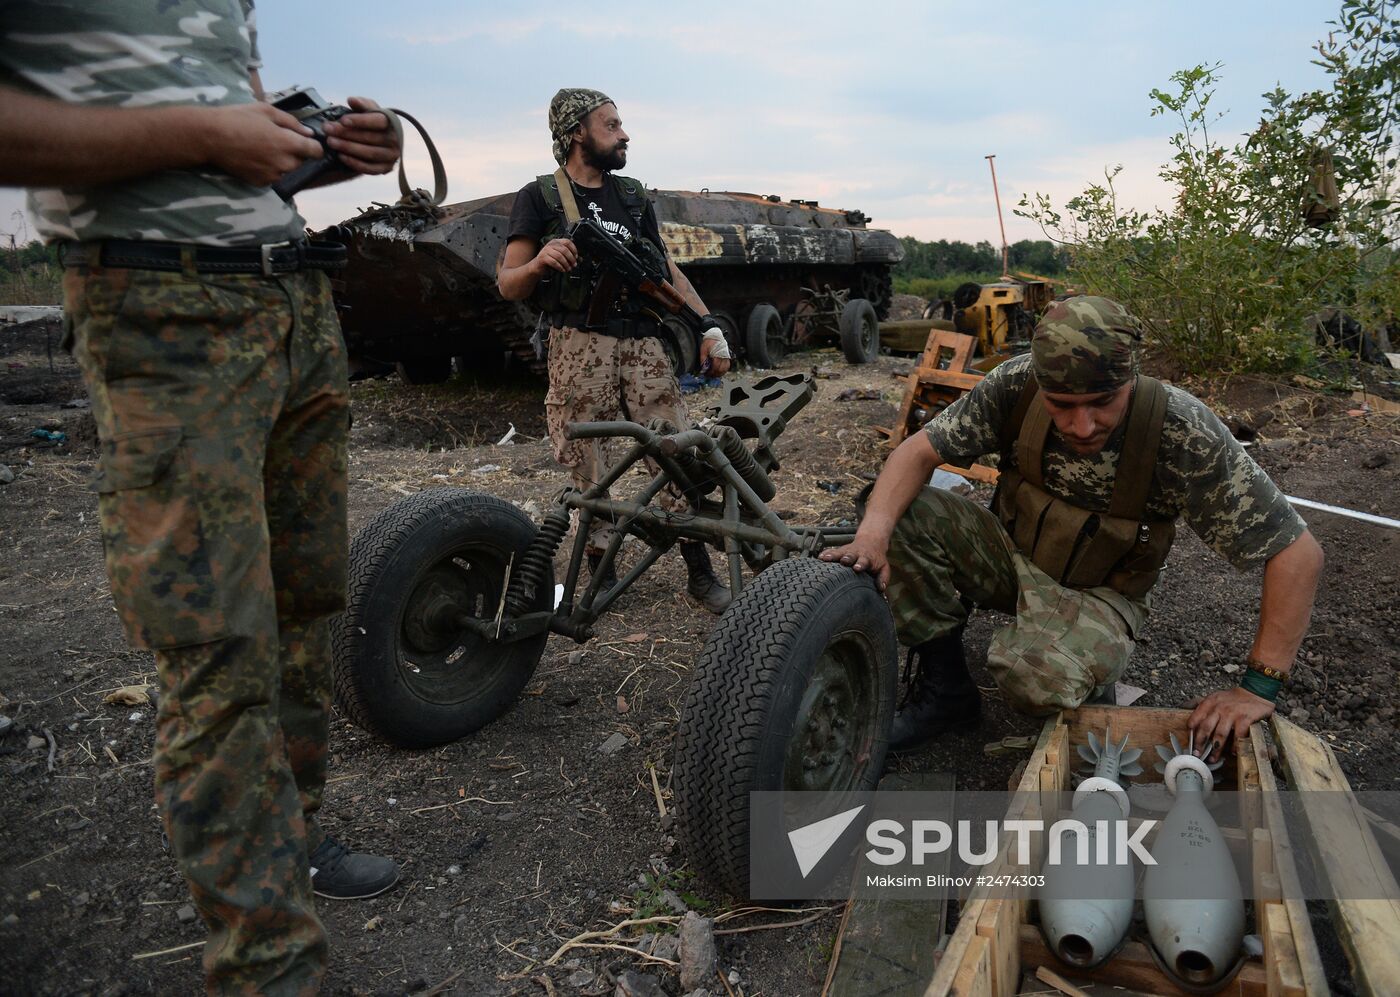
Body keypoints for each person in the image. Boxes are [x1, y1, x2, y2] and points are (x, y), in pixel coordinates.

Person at [1, 4, 402, 992]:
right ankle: (268, 964)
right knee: (216, 642)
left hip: (290, 298)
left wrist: (327, 153)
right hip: (162, 306)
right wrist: (203, 134)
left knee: (304, 605)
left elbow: (237, 123)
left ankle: (293, 843)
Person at [821, 296, 1323, 760]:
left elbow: (1297, 553)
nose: (1082, 426)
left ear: (1131, 379)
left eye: (1103, 402)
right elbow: (916, 452)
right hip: (1012, 558)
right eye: (1061, 405)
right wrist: (873, 536)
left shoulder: (1182, 429)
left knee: (1032, 676)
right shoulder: (1016, 384)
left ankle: (1081, 664)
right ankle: (946, 692)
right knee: (896, 513)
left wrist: (1258, 687)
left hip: (1103, 593)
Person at [497, 88, 734, 613]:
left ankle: (699, 571)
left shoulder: (631, 196)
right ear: (576, 132)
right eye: (611, 125)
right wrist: (540, 262)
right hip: (579, 343)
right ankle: (600, 572)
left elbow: (665, 270)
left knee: (673, 446)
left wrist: (706, 325)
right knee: (591, 462)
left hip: (644, 341)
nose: (624, 134)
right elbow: (508, 282)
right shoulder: (540, 197)